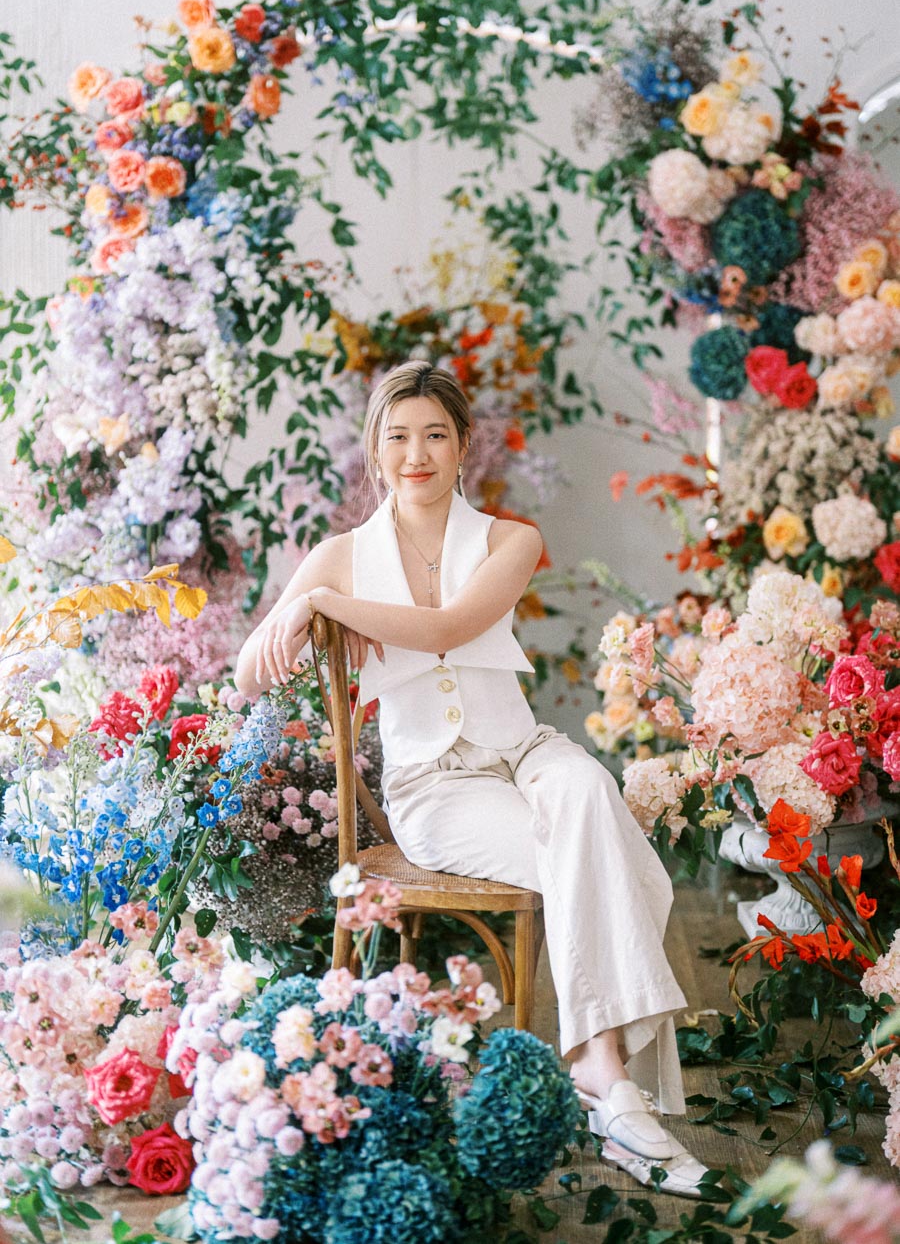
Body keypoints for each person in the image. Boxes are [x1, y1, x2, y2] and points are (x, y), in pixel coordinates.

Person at [235, 360, 708, 1196]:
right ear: (375, 451)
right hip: (435, 787)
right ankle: (606, 1075)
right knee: (592, 852)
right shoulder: (340, 556)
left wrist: (326, 605)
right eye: (398, 437)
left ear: (463, 446)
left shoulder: (509, 540)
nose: (416, 454)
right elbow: (247, 675)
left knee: (587, 792)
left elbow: (451, 626)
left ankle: (599, 1074)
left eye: (435, 435)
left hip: (522, 752)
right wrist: (297, 604)